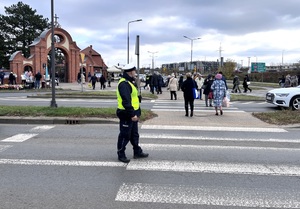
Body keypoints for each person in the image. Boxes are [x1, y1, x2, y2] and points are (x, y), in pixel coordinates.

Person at [116, 63, 149, 163]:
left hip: (133, 112)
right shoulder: (124, 84)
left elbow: (132, 97)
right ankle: (121, 154)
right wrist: (132, 114)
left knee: (134, 134)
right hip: (127, 113)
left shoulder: (130, 82)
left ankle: (137, 151)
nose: (135, 72)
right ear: (130, 72)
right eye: (134, 71)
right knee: (125, 135)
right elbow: (126, 101)